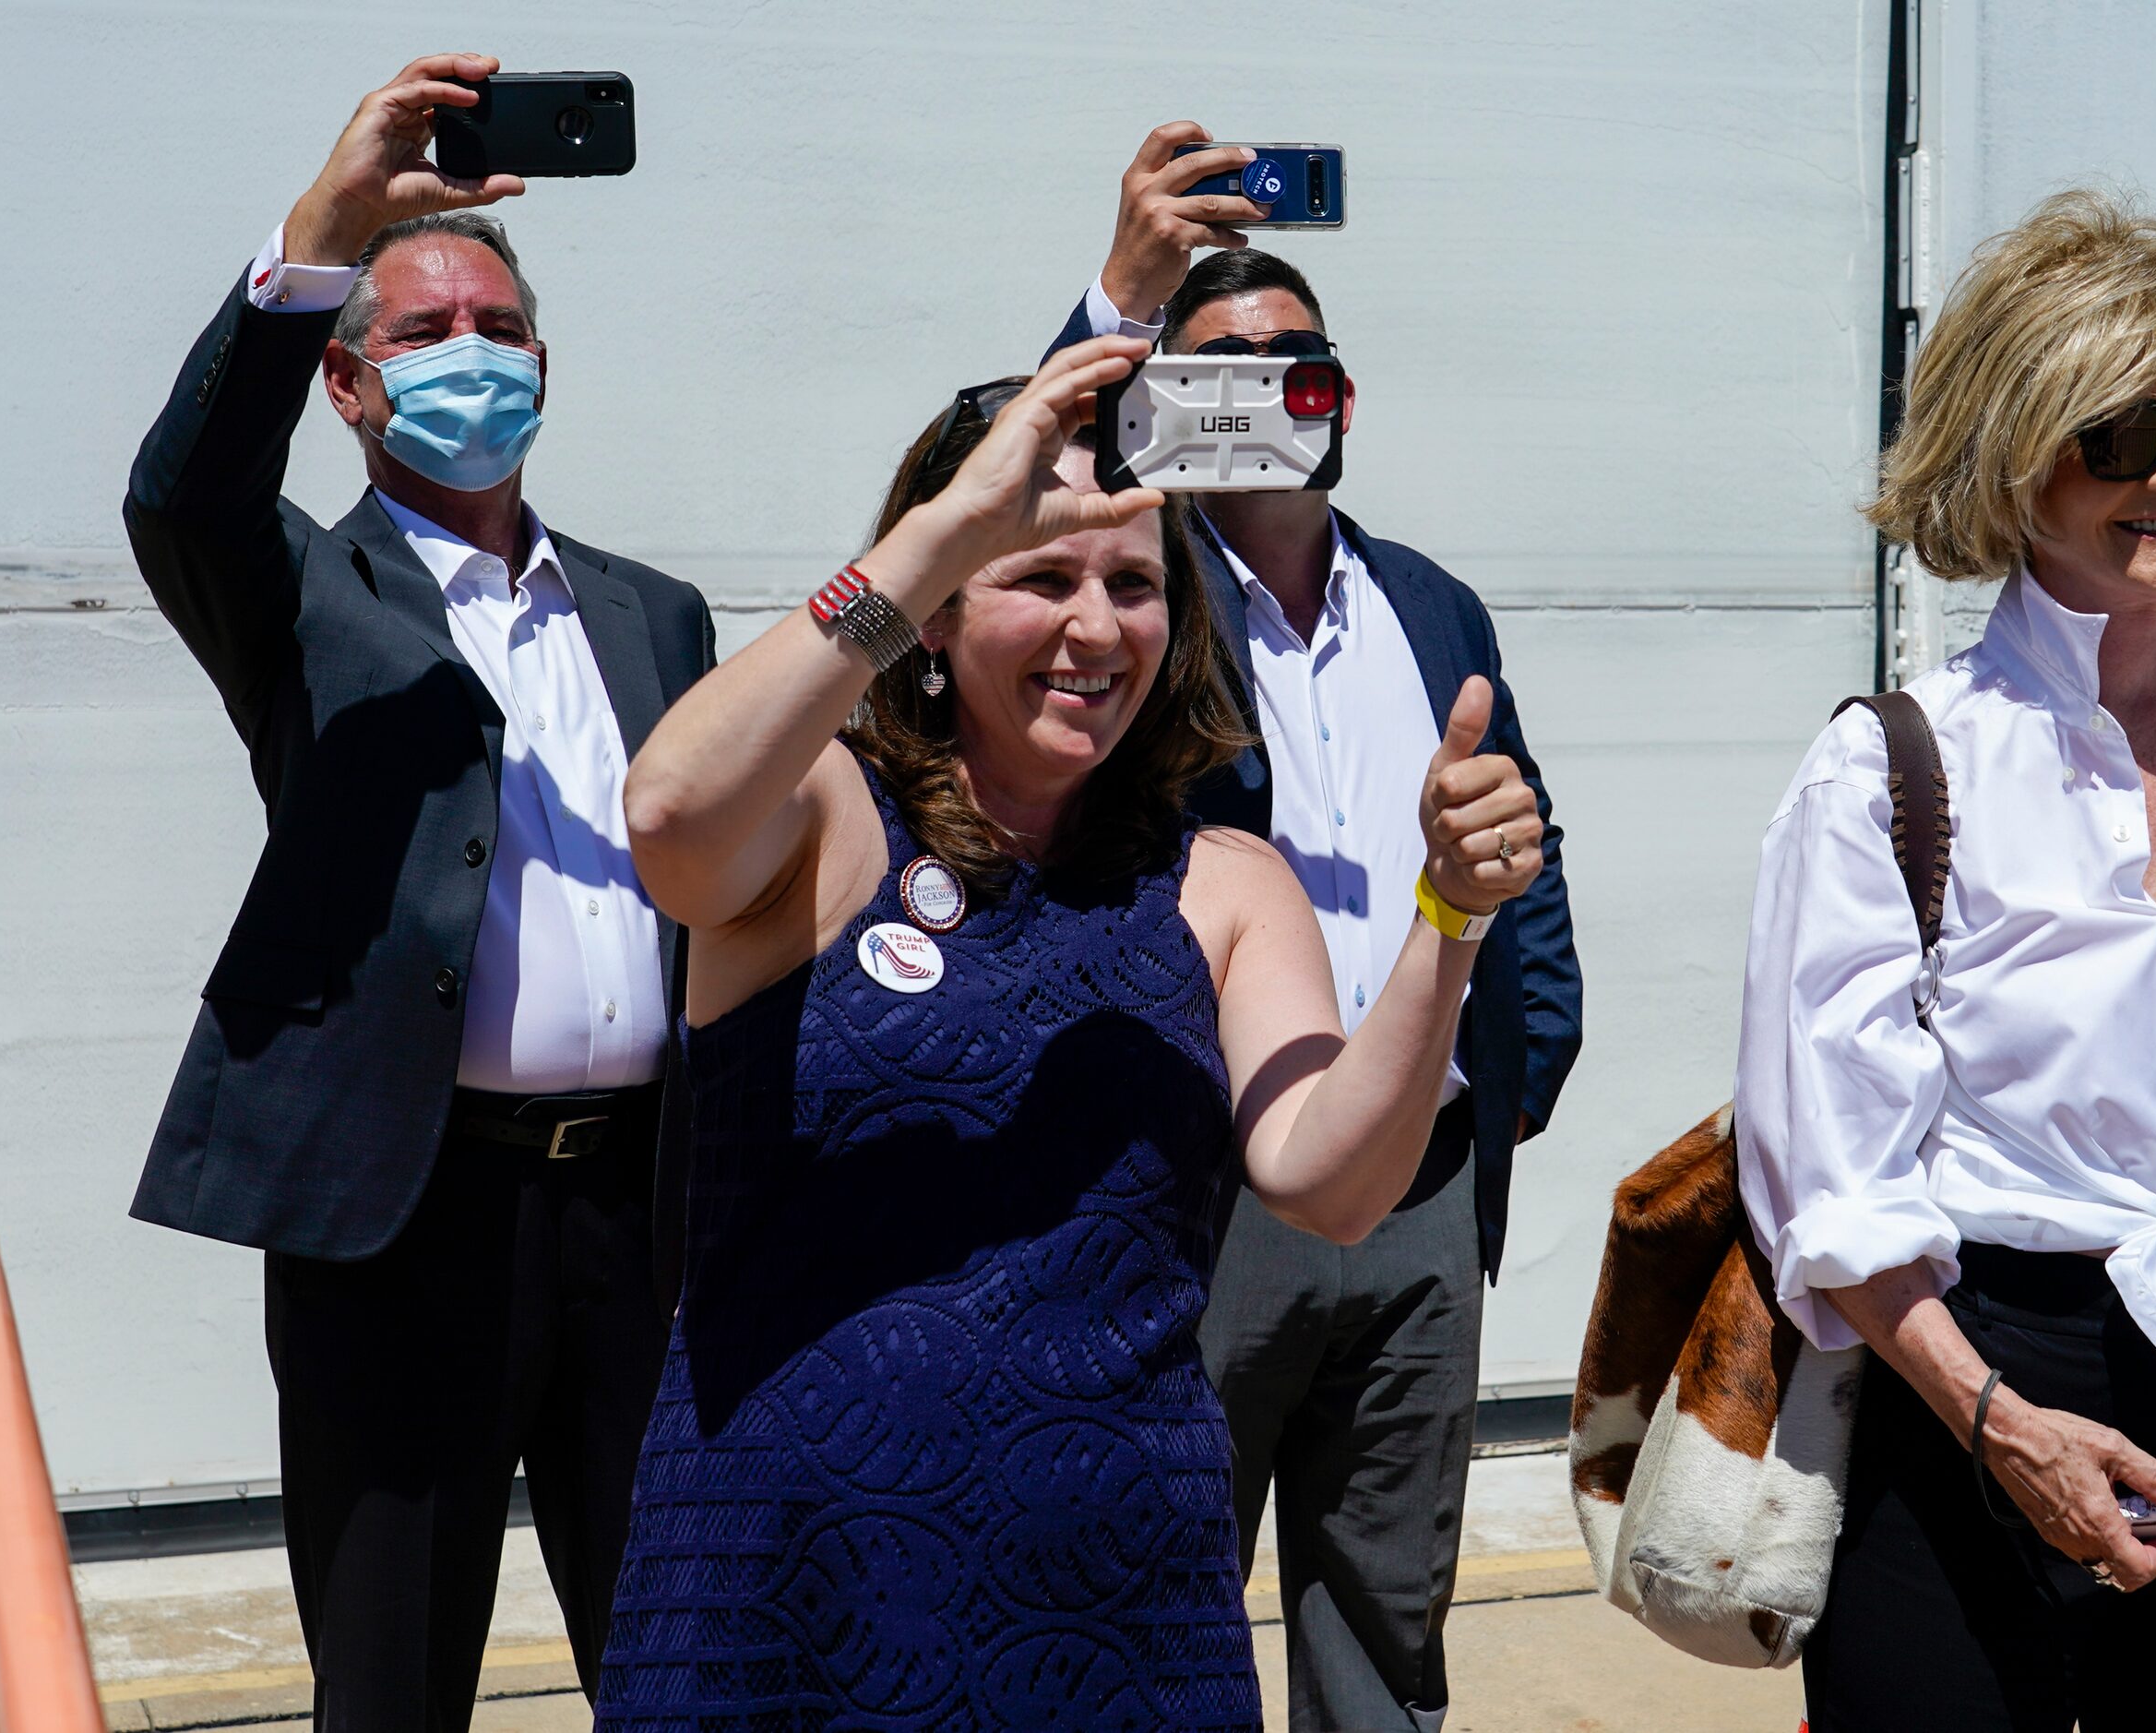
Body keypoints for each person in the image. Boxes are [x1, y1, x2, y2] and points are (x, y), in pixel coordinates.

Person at [590, 337, 1543, 1730]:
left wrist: (1447, 919)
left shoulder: (1224, 880)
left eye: (1136, 586)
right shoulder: (825, 818)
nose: (1097, 629)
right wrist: (939, 535)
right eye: (1042, 576)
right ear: (935, 607)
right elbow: (671, 811)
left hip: (1119, 1598)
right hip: (789, 1580)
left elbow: (1332, 1178)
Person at [123, 55, 714, 1732]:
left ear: (547, 370)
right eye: (422, 335)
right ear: (348, 389)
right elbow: (183, 491)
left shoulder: (654, 613)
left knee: (681, 1666)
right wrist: (329, 220)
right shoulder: (304, 585)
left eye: (499, 333)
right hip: (409, 1219)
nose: (471, 358)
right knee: (390, 1685)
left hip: (637, 1221)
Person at [1737, 189, 2156, 1731]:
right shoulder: (1895, 773)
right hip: (1974, 1406)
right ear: (2014, 459)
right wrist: (2006, 1424)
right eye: (2123, 438)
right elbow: (1834, 1185)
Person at [1043, 123, 1584, 1730]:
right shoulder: (1126, 601)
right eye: (1221, 364)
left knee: (1386, 1617)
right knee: (1162, 1602)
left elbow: (1521, 851)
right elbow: (1010, 482)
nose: (1272, 384)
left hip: (1421, 1190)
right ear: (1156, 403)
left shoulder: (1427, 602)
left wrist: (1507, 1085)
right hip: (1211, 1195)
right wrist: (1115, 295)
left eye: (1301, 357)